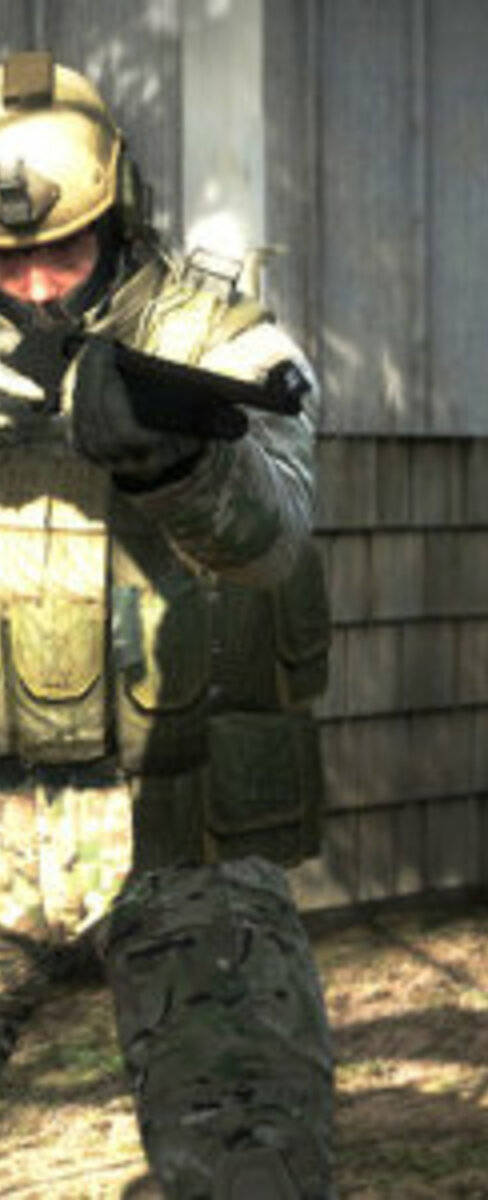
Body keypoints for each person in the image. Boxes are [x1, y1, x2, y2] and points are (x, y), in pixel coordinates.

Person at [0, 52, 335, 1197]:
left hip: (179, 838)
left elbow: (277, 531)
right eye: (9, 261)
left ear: (120, 214)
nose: (38, 286)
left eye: (65, 251)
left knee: (255, 1171)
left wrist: (175, 460)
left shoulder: (209, 335)